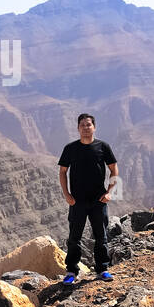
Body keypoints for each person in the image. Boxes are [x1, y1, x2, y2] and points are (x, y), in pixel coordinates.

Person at [57, 113, 118, 283]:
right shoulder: (70, 148)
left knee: (101, 236)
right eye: (82, 125)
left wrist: (109, 191)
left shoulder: (103, 147)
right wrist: (67, 194)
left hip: (99, 200)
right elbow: (62, 172)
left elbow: (114, 170)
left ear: (94, 127)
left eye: (89, 124)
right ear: (78, 128)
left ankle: (102, 269)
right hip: (77, 201)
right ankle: (71, 272)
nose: (86, 128)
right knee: (74, 237)